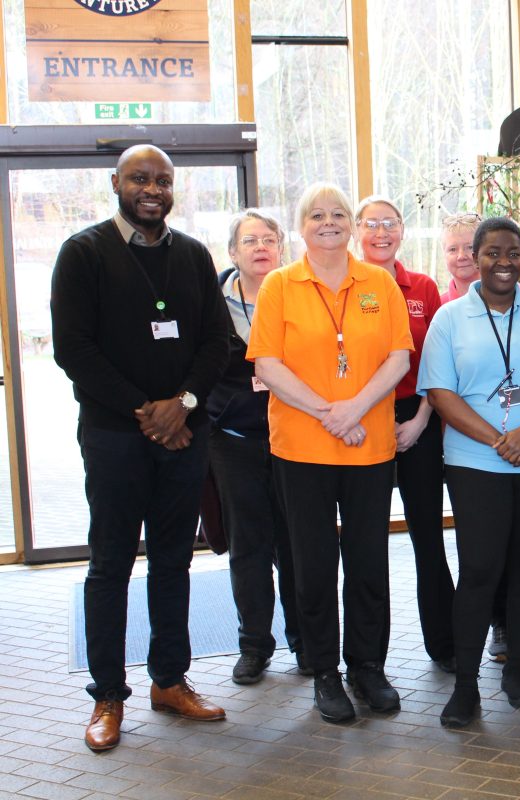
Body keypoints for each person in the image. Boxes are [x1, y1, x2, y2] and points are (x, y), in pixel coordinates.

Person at [50, 144, 229, 752]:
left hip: (185, 435)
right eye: (139, 178)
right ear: (115, 183)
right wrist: (147, 412)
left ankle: (169, 680)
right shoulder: (82, 253)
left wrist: (183, 404)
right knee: (110, 565)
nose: (151, 189)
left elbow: (215, 342)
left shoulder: (194, 255)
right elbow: (73, 350)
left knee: (175, 560)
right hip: (114, 438)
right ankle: (107, 693)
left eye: (162, 180)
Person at [247, 183, 414, 724]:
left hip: (369, 449)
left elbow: (397, 358)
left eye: (338, 213)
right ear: (301, 227)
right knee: (312, 565)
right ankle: (324, 673)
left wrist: (355, 410)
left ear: (353, 225)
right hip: (301, 450)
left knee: (368, 563)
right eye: (316, 215)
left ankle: (368, 666)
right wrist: (329, 413)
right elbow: (267, 366)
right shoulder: (279, 285)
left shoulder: (379, 284)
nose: (328, 222)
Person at [418, 217, 520, 728]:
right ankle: (466, 686)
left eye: (513, 252)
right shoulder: (449, 318)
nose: (503, 261)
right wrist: (498, 440)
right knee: (482, 568)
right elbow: (441, 393)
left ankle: (518, 671)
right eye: (492, 252)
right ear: (476, 256)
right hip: (475, 458)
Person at [355, 195, 454, 673]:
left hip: (418, 417)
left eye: (389, 224)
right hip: (359, 420)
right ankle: (368, 659)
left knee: (427, 537)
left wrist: (418, 422)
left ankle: (445, 643)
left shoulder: (423, 287)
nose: (381, 232)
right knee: (367, 542)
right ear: (357, 230)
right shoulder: (345, 284)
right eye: (371, 223)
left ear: (402, 232)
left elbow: (437, 364)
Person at [208, 210, 304, 686]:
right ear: (233, 252)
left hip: (296, 437)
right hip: (235, 440)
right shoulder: (212, 303)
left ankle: (306, 641)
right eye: (250, 240)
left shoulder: (300, 295)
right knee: (248, 546)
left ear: (281, 248)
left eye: (269, 239)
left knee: (298, 544)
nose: (261, 247)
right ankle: (254, 645)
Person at [441, 211, 520, 303]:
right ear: (444, 253)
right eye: (452, 249)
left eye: (469, 247)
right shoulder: (439, 307)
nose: (461, 256)